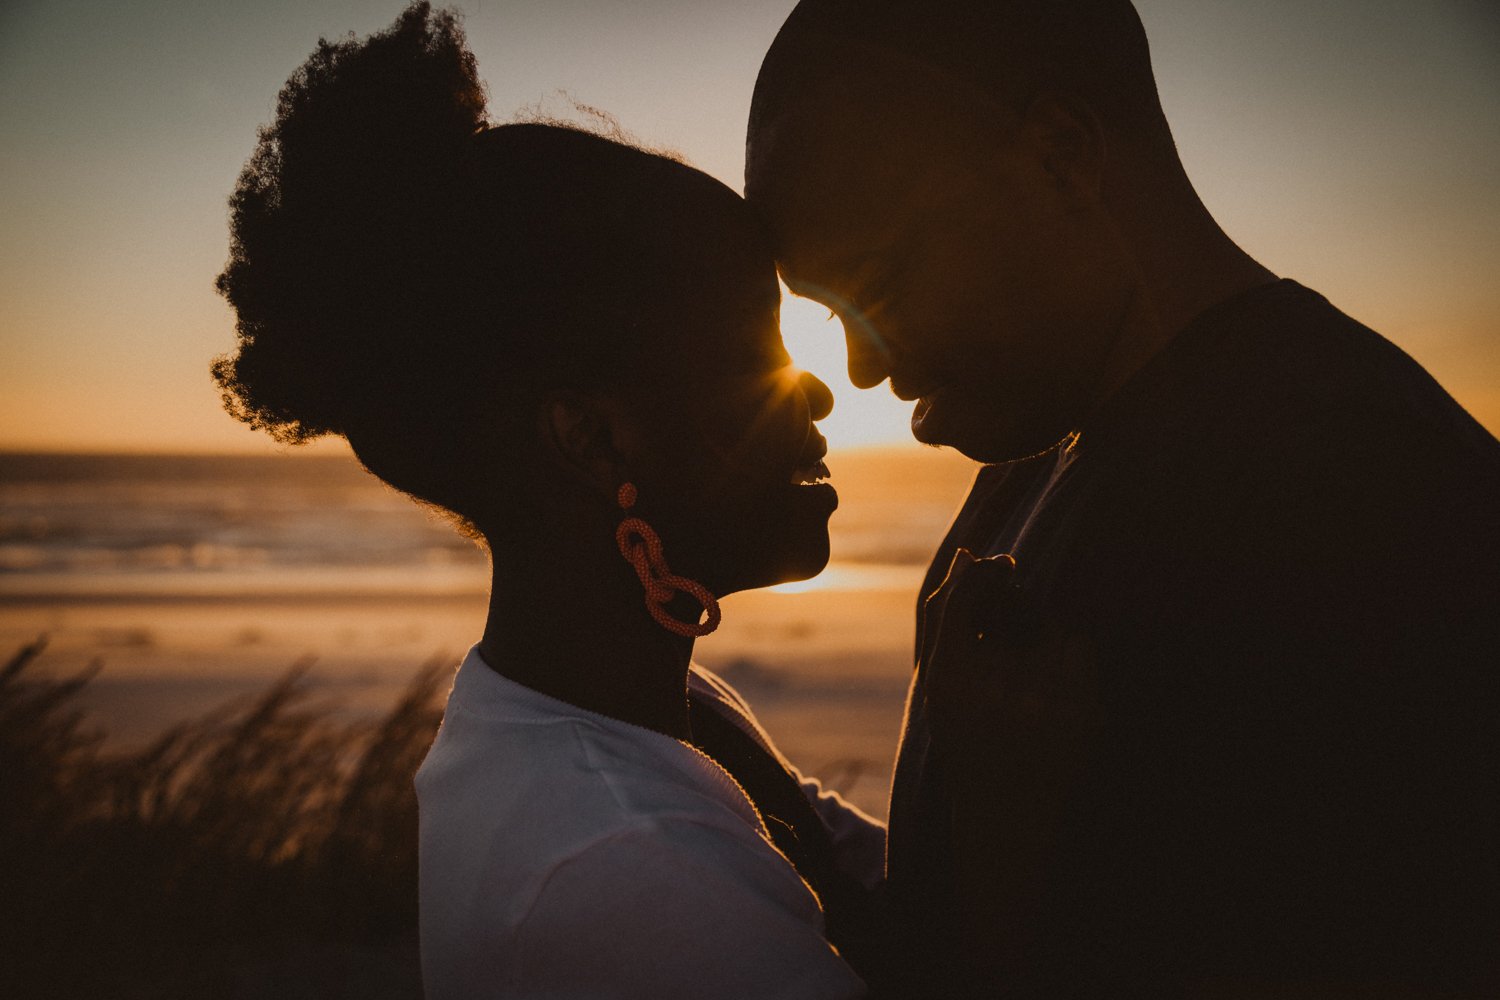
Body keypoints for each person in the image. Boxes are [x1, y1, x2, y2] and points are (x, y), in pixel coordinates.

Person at [745, 1, 1500, 996]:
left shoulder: (1376, 507)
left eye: (878, 281)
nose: (859, 366)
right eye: (826, 310)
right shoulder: (1029, 468)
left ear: (1061, 153)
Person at [212, 5, 883, 997]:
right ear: (594, 438)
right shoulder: (631, 863)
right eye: (754, 355)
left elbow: (876, 886)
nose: (819, 391)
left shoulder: (665, 710)